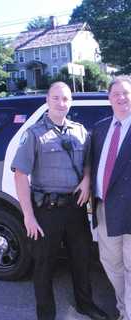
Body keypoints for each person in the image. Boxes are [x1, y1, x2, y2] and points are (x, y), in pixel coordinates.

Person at [11, 81, 109, 320]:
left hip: (75, 209)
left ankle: (85, 305)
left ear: (71, 102)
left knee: (82, 259)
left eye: (65, 98)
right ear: (47, 100)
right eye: (56, 98)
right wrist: (28, 216)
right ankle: (46, 315)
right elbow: (20, 175)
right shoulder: (34, 134)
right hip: (46, 211)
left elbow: (89, 159)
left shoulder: (79, 130)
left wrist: (86, 179)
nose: (61, 103)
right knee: (44, 266)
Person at [91, 76, 131, 320]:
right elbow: (90, 163)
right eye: (116, 94)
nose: (121, 97)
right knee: (111, 264)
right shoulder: (100, 128)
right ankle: (123, 307)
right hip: (105, 209)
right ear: (109, 99)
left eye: (126, 92)